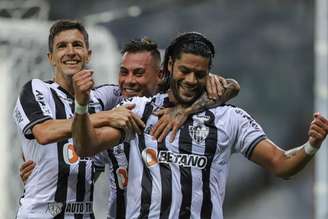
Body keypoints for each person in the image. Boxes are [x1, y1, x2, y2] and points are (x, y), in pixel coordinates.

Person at [71, 32, 328, 219]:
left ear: (210, 74)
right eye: (185, 71)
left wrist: (312, 145)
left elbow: (282, 164)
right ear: (169, 66)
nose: (191, 80)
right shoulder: (140, 109)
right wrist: (81, 106)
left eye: (200, 74)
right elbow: (86, 146)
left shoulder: (229, 118)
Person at [16, 21, 240, 218]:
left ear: (88, 54)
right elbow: (44, 133)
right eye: (62, 46)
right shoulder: (103, 99)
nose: (129, 81)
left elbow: (226, 86)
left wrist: (187, 108)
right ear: (50, 57)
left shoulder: (141, 102)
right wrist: (46, 170)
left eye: (77, 45)